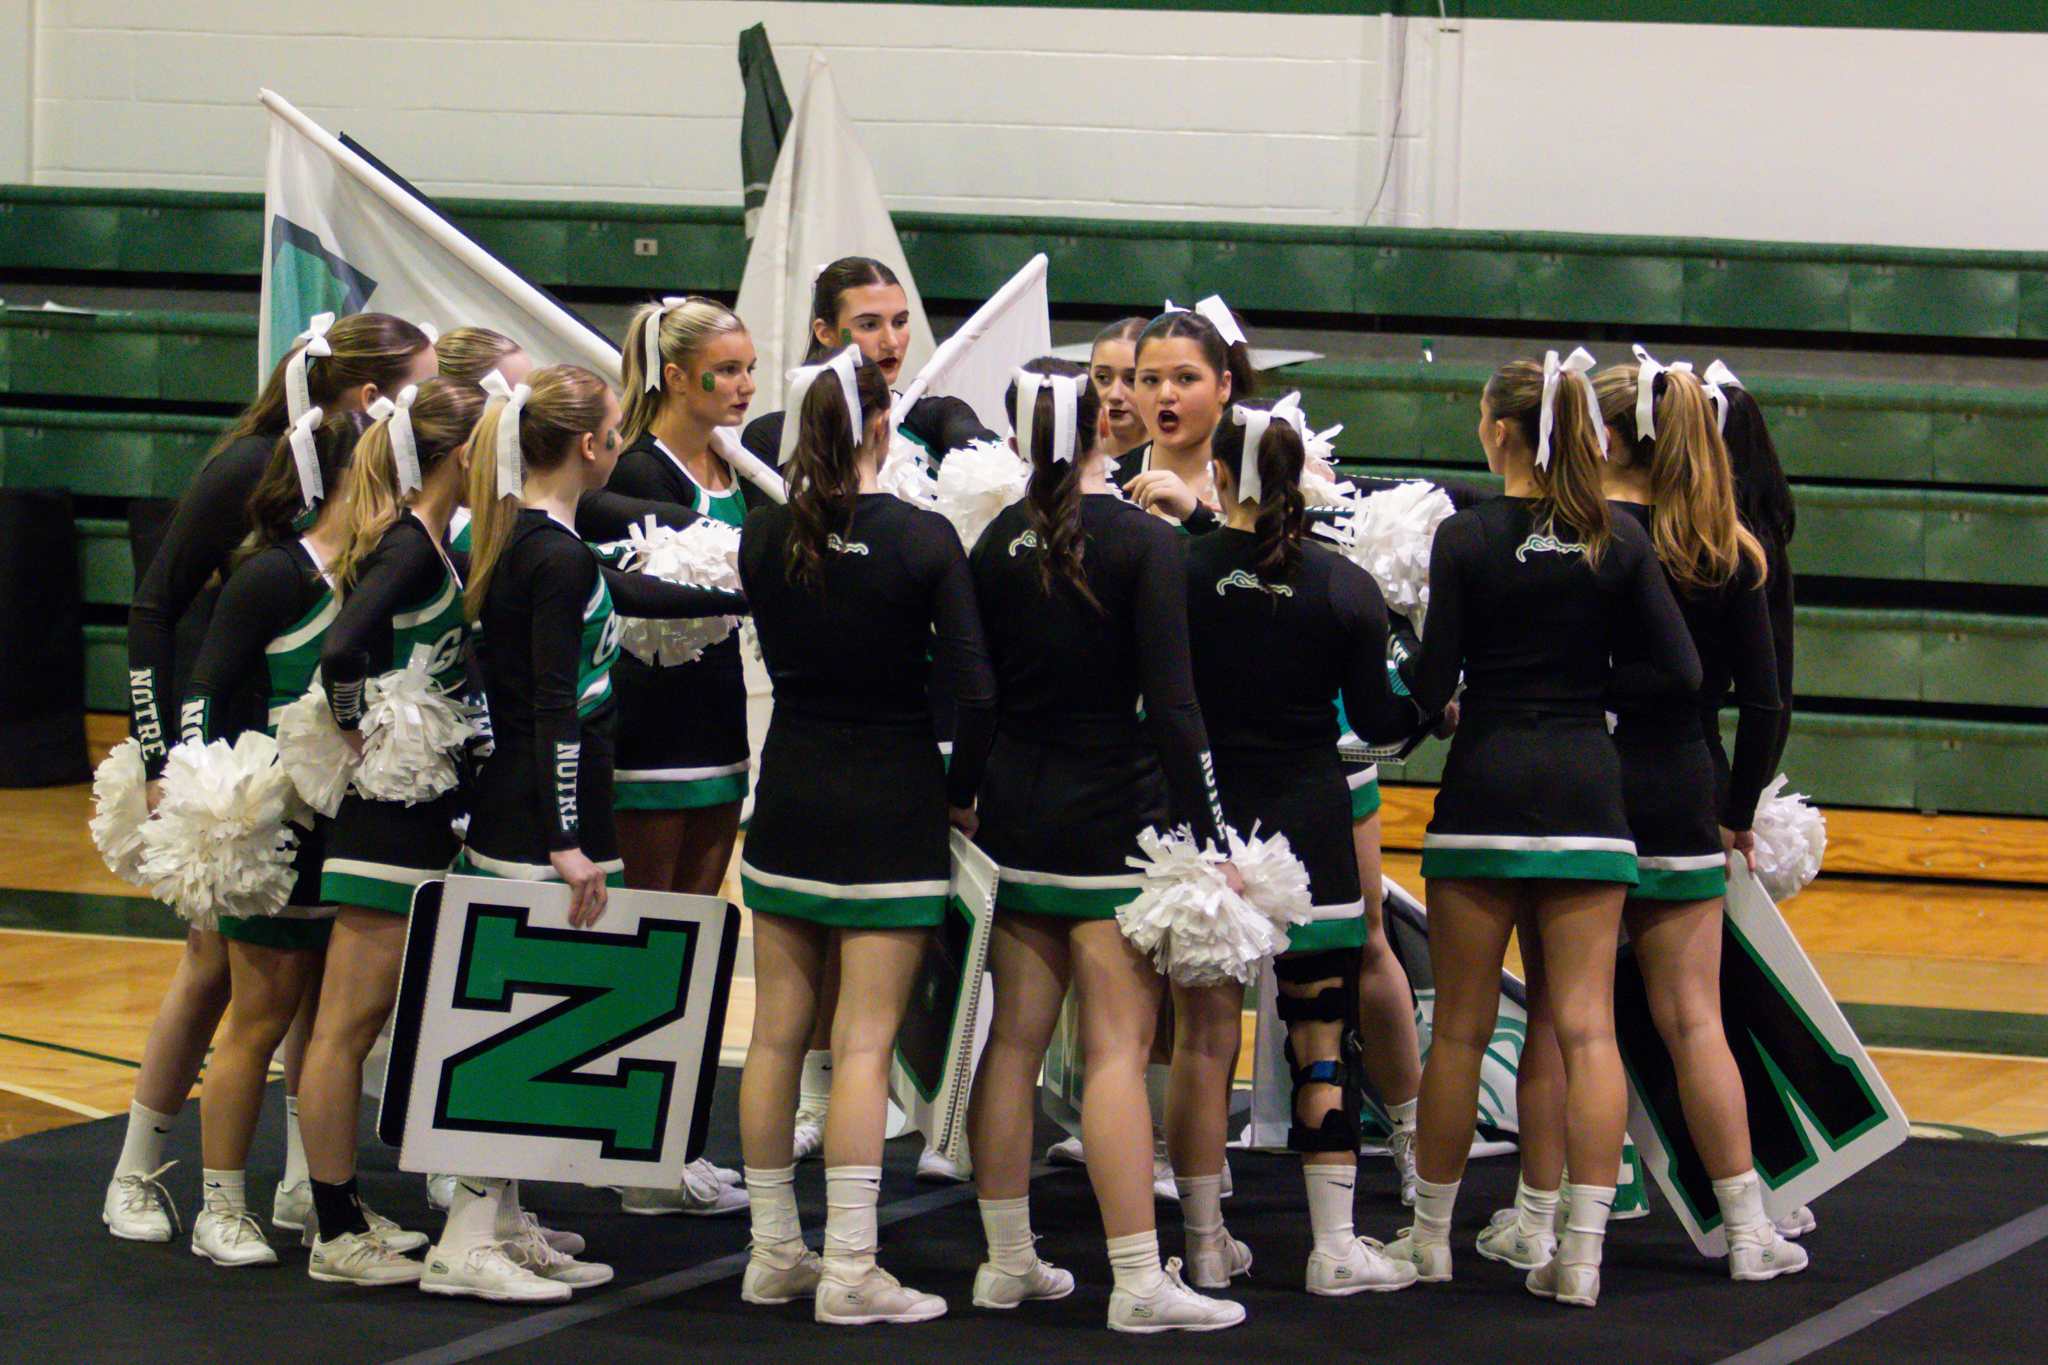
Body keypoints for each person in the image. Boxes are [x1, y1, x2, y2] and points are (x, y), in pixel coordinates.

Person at [105, 313, 434, 1243]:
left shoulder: (372, 513)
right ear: (371, 397)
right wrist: (174, 759)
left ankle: (302, 1177)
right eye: (416, 384)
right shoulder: (251, 468)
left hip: (312, 763)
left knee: (309, 980)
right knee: (217, 973)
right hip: (232, 761)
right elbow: (158, 606)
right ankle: (142, 1171)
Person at [420, 364, 746, 1304]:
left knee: (530, 1008)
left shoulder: (540, 539)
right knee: (519, 1023)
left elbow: (633, 598)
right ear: (592, 446)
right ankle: (464, 1238)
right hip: (535, 811)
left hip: (539, 801)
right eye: (612, 430)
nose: (619, 443)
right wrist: (568, 838)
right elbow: (556, 708)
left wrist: (743, 599)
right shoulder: (547, 552)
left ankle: (502, 1217)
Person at [1382, 350, 1700, 1308]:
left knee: (1462, 1035)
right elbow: (1682, 674)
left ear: (1502, 433)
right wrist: (1589, 693)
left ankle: (1430, 1240)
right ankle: (1580, 1258)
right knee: (1587, 1029)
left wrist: (1425, 703)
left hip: (1485, 788)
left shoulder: (1467, 539)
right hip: (1585, 793)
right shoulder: (1617, 542)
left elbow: (1433, 685)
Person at [1481, 360, 1804, 1285]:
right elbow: (1767, 704)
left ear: (1600, 438)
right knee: (1693, 1017)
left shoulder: (1575, 539)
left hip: (1582, 790)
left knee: (1559, 1017)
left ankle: (1538, 1224)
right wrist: (1735, 813)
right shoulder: (1730, 547)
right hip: (1680, 792)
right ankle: (1748, 1230)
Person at [962, 359, 1245, 1334]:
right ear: (1098, 424)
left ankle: (1006, 1261)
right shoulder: (1140, 541)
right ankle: (1135, 1281)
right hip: (1108, 819)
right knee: (1117, 1050)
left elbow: (973, 693)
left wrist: (964, 795)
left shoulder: (994, 538)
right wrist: (1212, 836)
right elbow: (1174, 706)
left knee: (1011, 1041)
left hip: (1013, 817)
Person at [733, 346, 996, 1325]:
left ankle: (771, 1253)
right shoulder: (924, 541)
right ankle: (847, 1268)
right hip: (891, 808)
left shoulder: (761, 537)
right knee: (863, 1047)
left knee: (775, 1039)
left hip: (788, 800)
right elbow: (975, 689)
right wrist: (960, 793)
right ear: (881, 425)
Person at [1179, 396, 1421, 1297]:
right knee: (1320, 1035)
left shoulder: (1182, 569)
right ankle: (1332, 1246)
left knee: (1204, 1039)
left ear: (1218, 477)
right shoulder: (1344, 585)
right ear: (1301, 480)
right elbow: (1386, 728)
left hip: (1207, 830)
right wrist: (1437, 694)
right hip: (1314, 828)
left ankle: (1205, 1245)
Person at [293, 377, 520, 1286]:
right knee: (346, 1027)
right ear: (463, 454)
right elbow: (342, 646)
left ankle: (346, 1211)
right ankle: (334, 1230)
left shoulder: (427, 540)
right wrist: (359, 725)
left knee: (361, 1022)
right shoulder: (412, 547)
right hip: (387, 819)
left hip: (418, 815)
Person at [175, 408, 372, 1267]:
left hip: (351, 825)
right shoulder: (270, 577)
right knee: (257, 1016)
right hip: (274, 826)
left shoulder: (373, 573)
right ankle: (220, 1205)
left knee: (327, 1018)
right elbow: (204, 693)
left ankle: (307, 1184)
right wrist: (216, 813)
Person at [601, 296, 760, 1218]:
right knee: (649, 932)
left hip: (720, 721)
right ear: (675, 375)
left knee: (696, 935)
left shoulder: (738, 463)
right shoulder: (632, 467)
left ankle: (676, 1140)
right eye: (725, 371)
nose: (743, 386)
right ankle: (632, 1147)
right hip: (650, 724)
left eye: (747, 369)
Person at [739, 256, 992, 468]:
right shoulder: (773, 436)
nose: (891, 342)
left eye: (900, 322)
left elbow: (993, 456)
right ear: (824, 333)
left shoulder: (936, 416)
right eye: (869, 325)